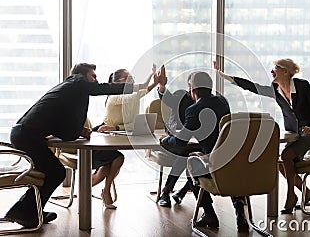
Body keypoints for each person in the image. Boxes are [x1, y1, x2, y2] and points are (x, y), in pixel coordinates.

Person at [6, 63, 138, 228]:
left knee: (53, 172)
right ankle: (24, 211)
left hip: (24, 134)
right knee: (55, 172)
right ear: (83, 76)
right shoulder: (77, 82)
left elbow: (64, 130)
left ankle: (31, 211)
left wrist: (80, 131)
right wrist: (140, 86)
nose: (96, 81)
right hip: (26, 136)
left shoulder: (69, 91)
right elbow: (102, 88)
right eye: (93, 76)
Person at [214, 59, 310, 214]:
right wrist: (224, 76)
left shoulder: (302, 86)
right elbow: (252, 87)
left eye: (275, 68)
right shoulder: (275, 89)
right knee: (281, 162)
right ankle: (306, 193)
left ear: (285, 71)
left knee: (286, 156)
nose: (272, 71)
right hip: (295, 133)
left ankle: (291, 196)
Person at [160, 71, 249, 232]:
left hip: (214, 166)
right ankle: (239, 212)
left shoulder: (194, 109)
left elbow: (180, 141)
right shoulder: (223, 101)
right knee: (227, 169)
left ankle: (209, 214)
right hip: (235, 162)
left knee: (191, 166)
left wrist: (165, 141)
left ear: (192, 90)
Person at [91, 65, 158, 209]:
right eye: (128, 78)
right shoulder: (115, 97)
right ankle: (101, 191)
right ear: (118, 83)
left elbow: (128, 123)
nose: (132, 80)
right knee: (113, 162)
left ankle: (102, 191)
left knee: (109, 165)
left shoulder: (130, 98)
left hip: (114, 133)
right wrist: (151, 81)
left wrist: (116, 128)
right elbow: (136, 95)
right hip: (101, 135)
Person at [156, 65, 195, 207]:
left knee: (193, 155)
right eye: (193, 85)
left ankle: (177, 191)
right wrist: (162, 86)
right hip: (176, 137)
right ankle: (167, 192)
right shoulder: (181, 96)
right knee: (186, 154)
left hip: (195, 141)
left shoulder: (208, 101)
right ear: (189, 85)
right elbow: (169, 100)